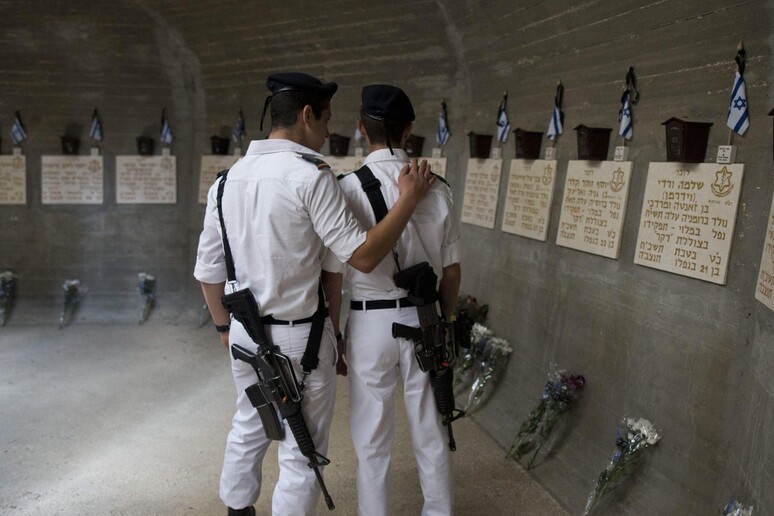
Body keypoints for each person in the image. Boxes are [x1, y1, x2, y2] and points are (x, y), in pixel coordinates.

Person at [194, 72, 435, 516]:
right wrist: (407, 200)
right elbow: (359, 257)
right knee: (301, 452)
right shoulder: (311, 176)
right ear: (307, 115)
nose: (328, 131)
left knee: (249, 424)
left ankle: (237, 510)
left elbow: (208, 272)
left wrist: (224, 329)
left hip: (245, 335)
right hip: (300, 338)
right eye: (326, 119)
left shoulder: (226, 181)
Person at [323, 84, 462, 516]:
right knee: (431, 432)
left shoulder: (345, 189)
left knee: (371, 439)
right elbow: (452, 271)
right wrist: (447, 320)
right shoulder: (437, 188)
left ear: (362, 128)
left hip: (369, 322)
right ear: (409, 130)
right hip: (425, 320)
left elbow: (333, 276)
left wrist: (335, 333)